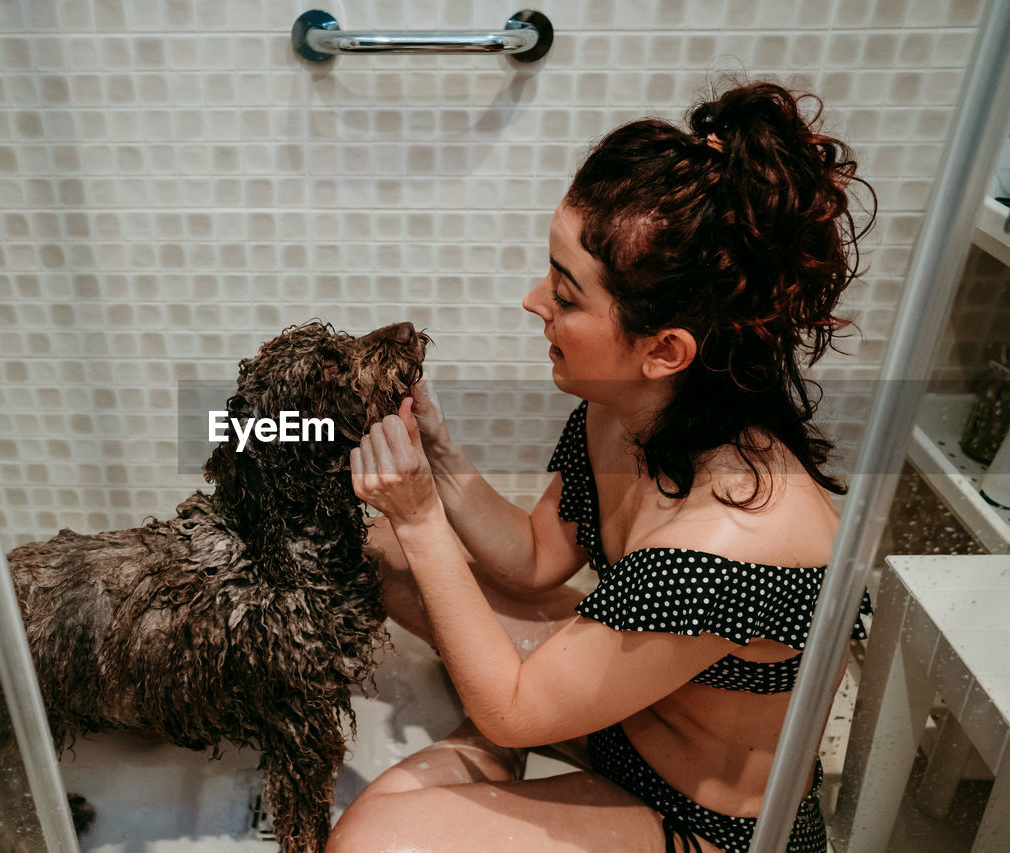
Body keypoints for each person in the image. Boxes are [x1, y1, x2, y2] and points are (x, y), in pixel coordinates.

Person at [331, 81, 876, 853]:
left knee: (378, 843)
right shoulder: (631, 411)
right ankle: (489, 749)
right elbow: (535, 560)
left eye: (564, 291)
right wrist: (440, 461)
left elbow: (517, 703)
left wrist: (421, 517)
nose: (532, 301)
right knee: (385, 559)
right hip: (621, 724)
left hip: (706, 826)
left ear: (665, 350)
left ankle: (484, 751)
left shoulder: (731, 541)